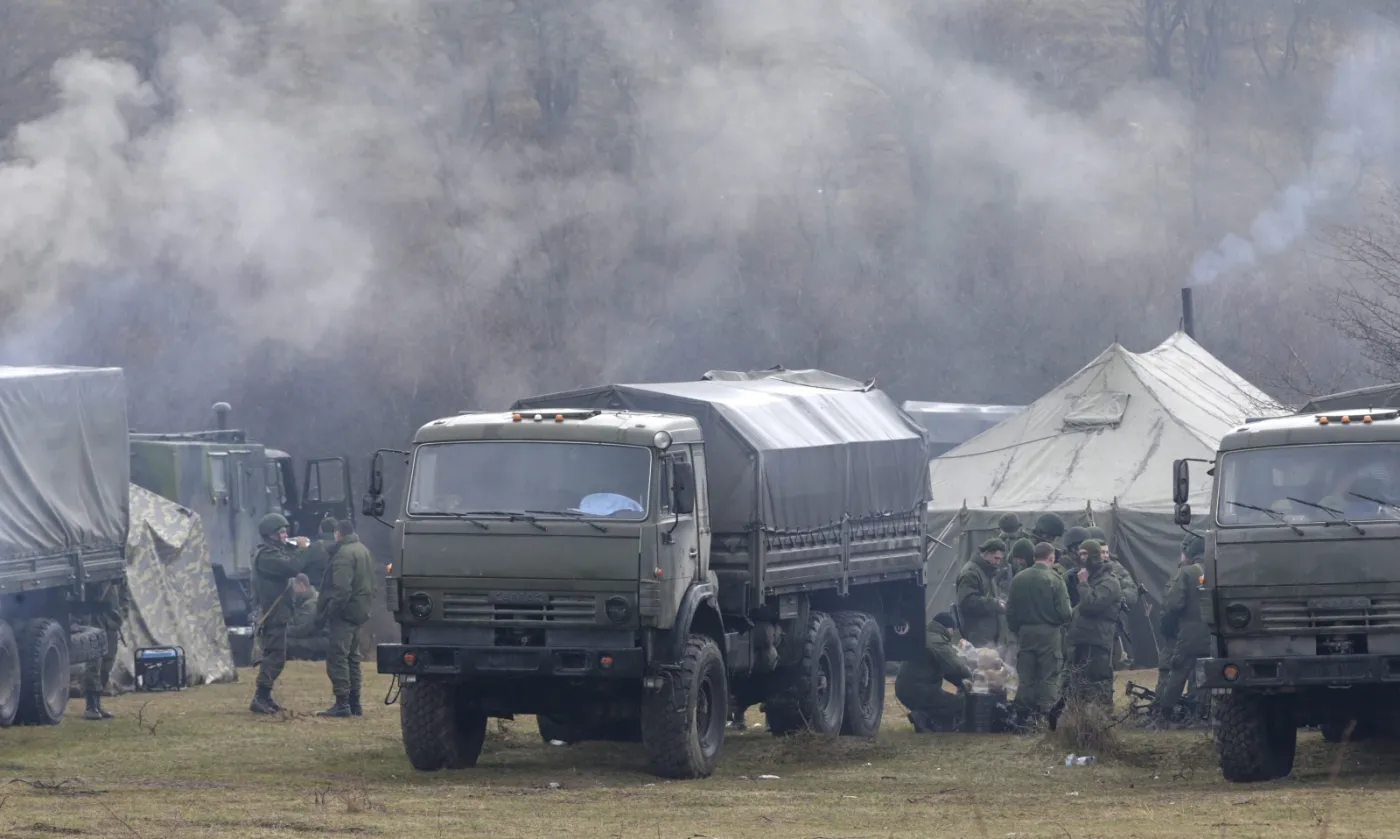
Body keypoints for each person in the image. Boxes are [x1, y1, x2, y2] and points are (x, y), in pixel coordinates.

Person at [1005, 542, 1072, 726]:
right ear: (1051, 558)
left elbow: (1010, 611)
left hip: (1025, 633)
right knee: (1049, 675)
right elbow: (1066, 613)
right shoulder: (1055, 579)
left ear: (1034, 557)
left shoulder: (1018, 578)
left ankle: (1022, 716)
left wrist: (1017, 629)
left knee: (1026, 676)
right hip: (1050, 633)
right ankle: (1046, 716)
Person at [250, 512, 309, 715]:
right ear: (271, 535)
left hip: (277, 612)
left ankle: (265, 697)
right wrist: (301, 549)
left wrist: (293, 547)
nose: (285, 535)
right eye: (282, 532)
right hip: (273, 613)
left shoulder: (273, 553)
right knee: (275, 656)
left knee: (275, 654)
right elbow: (293, 566)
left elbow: (287, 559)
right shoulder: (267, 557)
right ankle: (260, 697)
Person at [316, 519, 376, 718]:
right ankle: (354, 703)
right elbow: (372, 584)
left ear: (337, 533)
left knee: (338, 657)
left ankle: (342, 703)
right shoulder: (363, 550)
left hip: (345, 614)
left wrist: (331, 611)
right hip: (360, 612)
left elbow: (341, 590)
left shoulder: (343, 554)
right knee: (353, 658)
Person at [1150, 535, 1210, 724]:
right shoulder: (1220, 570)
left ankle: (1164, 714)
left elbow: (1174, 604)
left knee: (1178, 672)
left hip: (1189, 635)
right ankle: (1200, 715)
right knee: (1205, 673)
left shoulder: (1187, 572)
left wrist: (1169, 624)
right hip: (1214, 634)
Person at [1067, 539, 1122, 712]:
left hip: (1098, 640)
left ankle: (1102, 718)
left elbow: (1090, 606)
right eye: (1080, 553)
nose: (1082, 557)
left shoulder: (1109, 582)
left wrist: (1083, 583)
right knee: (1078, 683)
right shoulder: (1090, 578)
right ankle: (1080, 719)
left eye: (1085, 553)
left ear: (1093, 555)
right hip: (1082, 640)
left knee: (1098, 683)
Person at [895, 612, 974, 732]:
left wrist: (960, 683)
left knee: (944, 702)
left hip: (908, 689)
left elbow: (946, 669)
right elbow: (956, 666)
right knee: (958, 704)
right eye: (952, 629)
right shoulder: (937, 641)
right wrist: (972, 673)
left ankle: (926, 718)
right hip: (918, 690)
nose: (953, 633)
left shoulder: (926, 636)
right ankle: (922, 718)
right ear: (947, 628)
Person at [1087, 525, 1141, 670]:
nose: (1105, 556)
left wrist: (1114, 597)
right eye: (1101, 552)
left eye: (1106, 552)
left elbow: (1131, 591)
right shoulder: (1080, 568)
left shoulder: (1115, 568)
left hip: (1110, 625)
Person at [83, 576, 131, 721]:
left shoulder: (119, 574)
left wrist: (121, 615)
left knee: (107, 663)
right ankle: (91, 706)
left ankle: (97, 704)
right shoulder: (96, 574)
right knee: (94, 664)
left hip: (112, 621)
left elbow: (125, 594)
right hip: (94, 619)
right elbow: (92, 594)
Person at [956, 539, 1007, 648]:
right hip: (977, 633)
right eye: (996, 558)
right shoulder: (971, 573)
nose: (998, 562)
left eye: (1000, 559)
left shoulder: (986, 571)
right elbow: (967, 602)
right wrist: (995, 604)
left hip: (986, 632)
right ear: (987, 554)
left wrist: (999, 600)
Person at [286, 574, 329, 661]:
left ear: (301, 585)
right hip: (317, 637)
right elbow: (297, 620)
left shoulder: (312, 603)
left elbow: (302, 629)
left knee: (284, 643)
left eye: (293, 589)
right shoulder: (308, 599)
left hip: (321, 642)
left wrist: (282, 630)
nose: (292, 593)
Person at [300, 517, 338, 592]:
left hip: (318, 590)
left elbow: (300, 565)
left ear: (321, 530)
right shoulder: (344, 546)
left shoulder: (315, 547)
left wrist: (301, 549)